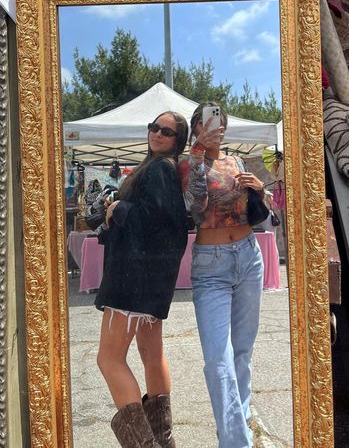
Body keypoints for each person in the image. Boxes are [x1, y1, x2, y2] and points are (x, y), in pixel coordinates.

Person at [95, 111, 189, 448]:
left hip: (134, 278)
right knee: (151, 352)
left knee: (108, 358)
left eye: (166, 131)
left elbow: (153, 221)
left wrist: (117, 208)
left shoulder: (160, 169)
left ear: (178, 140)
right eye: (153, 127)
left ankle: (148, 445)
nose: (157, 134)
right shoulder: (164, 170)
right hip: (150, 277)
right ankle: (162, 441)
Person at [179, 102, 265, 448]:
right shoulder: (187, 163)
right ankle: (236, 441)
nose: (218, 126)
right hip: (211, 264)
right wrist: (198, 150)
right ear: (197, 126)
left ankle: (238, 421)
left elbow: (256, 207)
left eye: (221, 121)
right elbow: (195, 206)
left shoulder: (237, 161)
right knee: (218, 358)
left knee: (243, 349)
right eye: (209, 120)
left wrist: (260, 189)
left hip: (249, 255)